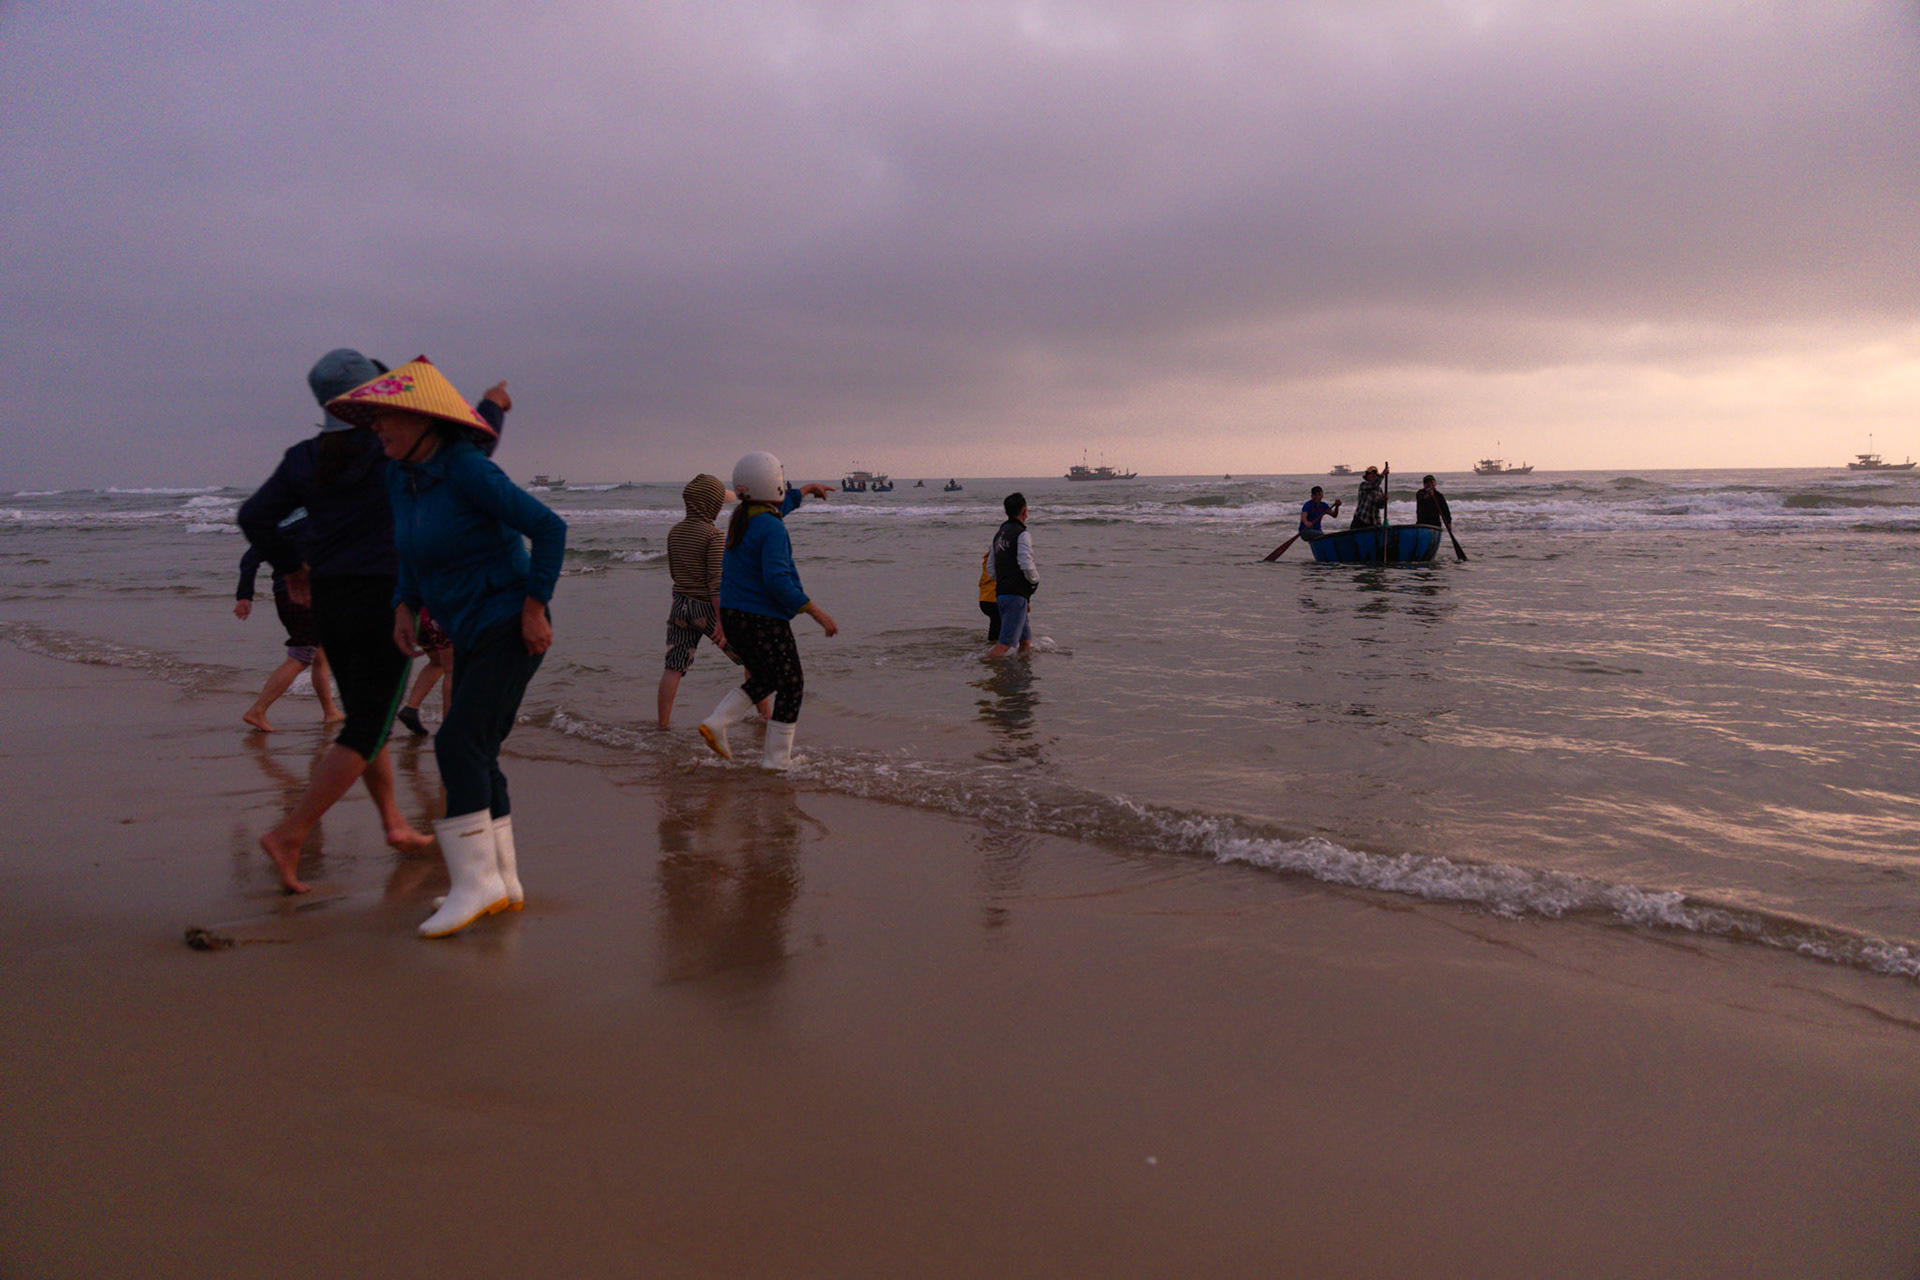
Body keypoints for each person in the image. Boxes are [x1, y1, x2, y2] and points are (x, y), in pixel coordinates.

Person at [239, 349, 506, 892]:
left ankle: (393, 822)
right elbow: (473, 449)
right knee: (368, 725)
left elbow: (254, 517)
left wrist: (291, 568)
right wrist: (492, 405)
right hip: (386, 600)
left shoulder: (306, 456)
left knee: (368, 714)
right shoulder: (394, 446)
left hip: (329, 600)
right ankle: (290, 833)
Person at [328, 355, 566, 939]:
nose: (378, 427)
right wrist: (404, 604)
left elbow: (549, 528)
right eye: (374, 417)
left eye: (388, 416)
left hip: (510, 624)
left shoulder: (467, 470)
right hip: (465, 626)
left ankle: (473, 884)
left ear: (426, 420)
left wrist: (534, 606)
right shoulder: (401, 475)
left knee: (458, 741)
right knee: (478, 750)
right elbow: (410, 548)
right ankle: (501, 882)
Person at [697, 452, 836, 770]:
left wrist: (807, 489)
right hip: (762, 619)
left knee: (769, 677)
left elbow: (778, 509)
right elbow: (777, 581)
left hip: (734, 617)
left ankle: (718, 722)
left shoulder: (745, 517)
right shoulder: (771, 528)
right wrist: (816, 612)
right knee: (792, 684)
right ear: (774, 485)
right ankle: (776, 761)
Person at [657, 473, 766, 729]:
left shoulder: (675, 532)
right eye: (718, 504)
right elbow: (716, 583)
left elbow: (675, 572)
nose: (720, 509)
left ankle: (662, 725)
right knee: (753, 659)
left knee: (673, 667)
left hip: (679, 605)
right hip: (707, 607)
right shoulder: (714, 536)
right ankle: (766, 718)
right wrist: (721, 621)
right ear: (711, 506)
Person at [234, 521, 343, 731]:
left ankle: (330, 712)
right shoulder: (316, 523)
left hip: (288, 596)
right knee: (302, 655)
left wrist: (244, 595)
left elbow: (249, 559)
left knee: (319, 655)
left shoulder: (280, 527)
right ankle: (257, 711)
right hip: (304, 597)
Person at [986, 492, 1037, 659]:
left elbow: (991, 568)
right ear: (1025, 511)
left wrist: (1007, 583)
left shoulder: (998, 535)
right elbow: (1026, 564)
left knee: (1025, 641)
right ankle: (984, 666)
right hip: (1015, 595)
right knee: (1005, 645)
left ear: (1006, 512)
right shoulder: (1022, 534)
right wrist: (1035, 581)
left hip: (1002, 594)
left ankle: (1020, 671)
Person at [394, 610, 452, 735]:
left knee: (438, 662)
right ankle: (450, 727)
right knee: (452, 669)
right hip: (441, 615)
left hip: (419, 618)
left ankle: (411, 708)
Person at [976, 549, 1001, 643]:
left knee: (996, 623)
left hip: (985, 597)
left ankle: (992, 645)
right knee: (999, 624)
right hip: (995, 597)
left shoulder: (989, 557)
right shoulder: (1002, 555)